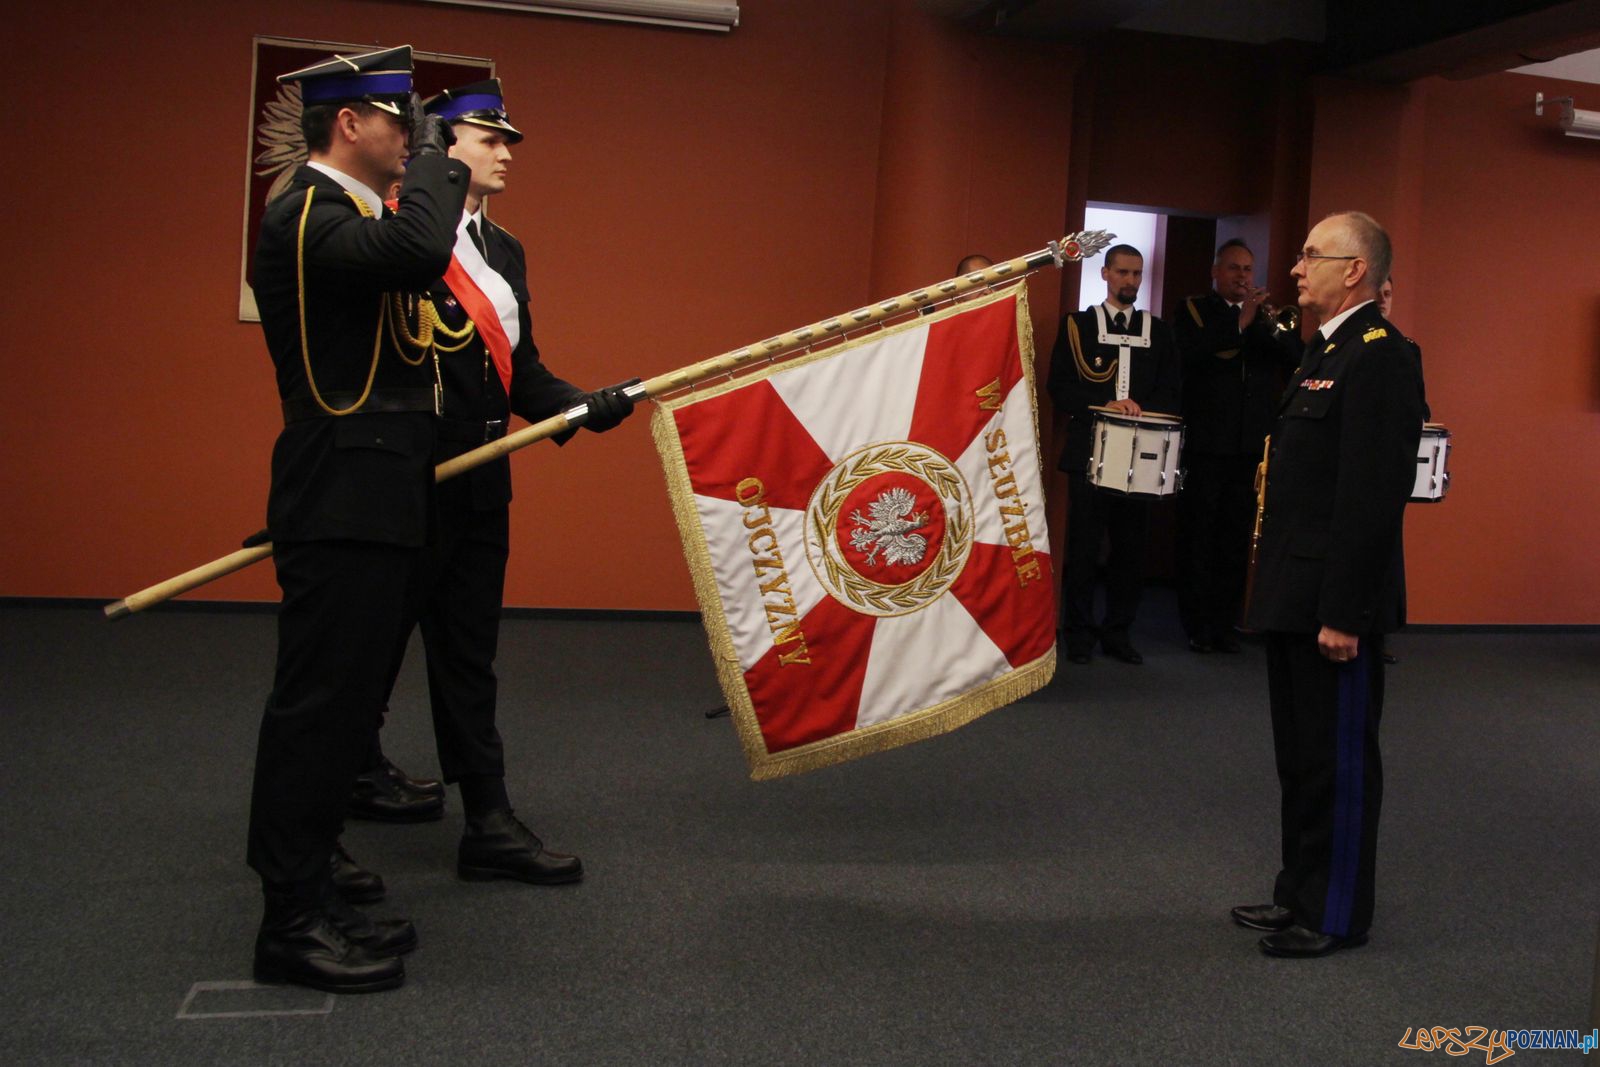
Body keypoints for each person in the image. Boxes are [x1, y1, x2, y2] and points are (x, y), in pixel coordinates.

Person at [361, 78, 637, 887]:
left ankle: (487, 820)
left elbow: (522, 373)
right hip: (405, 481)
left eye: (507, 139)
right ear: (441, 145)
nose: (506, 153)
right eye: (490, 138)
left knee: (468, 657)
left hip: (481, 483)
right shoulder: (397, 234)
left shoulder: (505, 249)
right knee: (367, 648)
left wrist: (582, 406)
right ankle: (347, 777)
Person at [247, 45, 468, 993]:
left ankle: (315, 887)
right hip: (340, 492)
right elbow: (419, 251)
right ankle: (288, 921)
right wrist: (443, 157)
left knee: (343, 716)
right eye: (399, 120)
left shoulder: (349, 214)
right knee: (316, 711)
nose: (410, 136)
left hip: (372, 494)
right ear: (349, 123)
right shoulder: (306, 210)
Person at [1232, 211, 1423, 958]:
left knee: (1337, 761)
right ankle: (1299, 893)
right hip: (1295, 590)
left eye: (1312, 255)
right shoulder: (1326, 348)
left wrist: (1345, 611)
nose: (1295, 268)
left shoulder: (1381, 356)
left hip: (1334, 603)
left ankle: (1336, 913)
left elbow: (1371, 498)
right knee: (1302, 756)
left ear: (1355, 270)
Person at [1047, 245, 1181, 665]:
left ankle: (1119, 632)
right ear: (1105, 274)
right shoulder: (1078, 326)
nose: (1130, 281)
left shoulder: (1158, 331)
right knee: (1084, 548)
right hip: (1089, 449)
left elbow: (1171, 388)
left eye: (1137, 274)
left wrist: (1141, 408)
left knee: (1130, 550)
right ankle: (1079, 634)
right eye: (1122, 272)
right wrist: (1105, 404)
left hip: (1140, 458)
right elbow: (1059, 387)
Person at [1173, 239, 1302, 654]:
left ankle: (1224, 622)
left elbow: (1295, 360)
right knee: (1199, 536)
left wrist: (1270, 325)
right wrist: (1240, 323)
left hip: (1250, 446)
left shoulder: (1265, 318)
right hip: (1207, 443)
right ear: (1216, 272)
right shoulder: (1194, 310)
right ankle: (1196, 625)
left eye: (1247, 269)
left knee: (1234, 539)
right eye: (1233, 268)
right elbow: (1191, 357)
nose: (1242, 276)